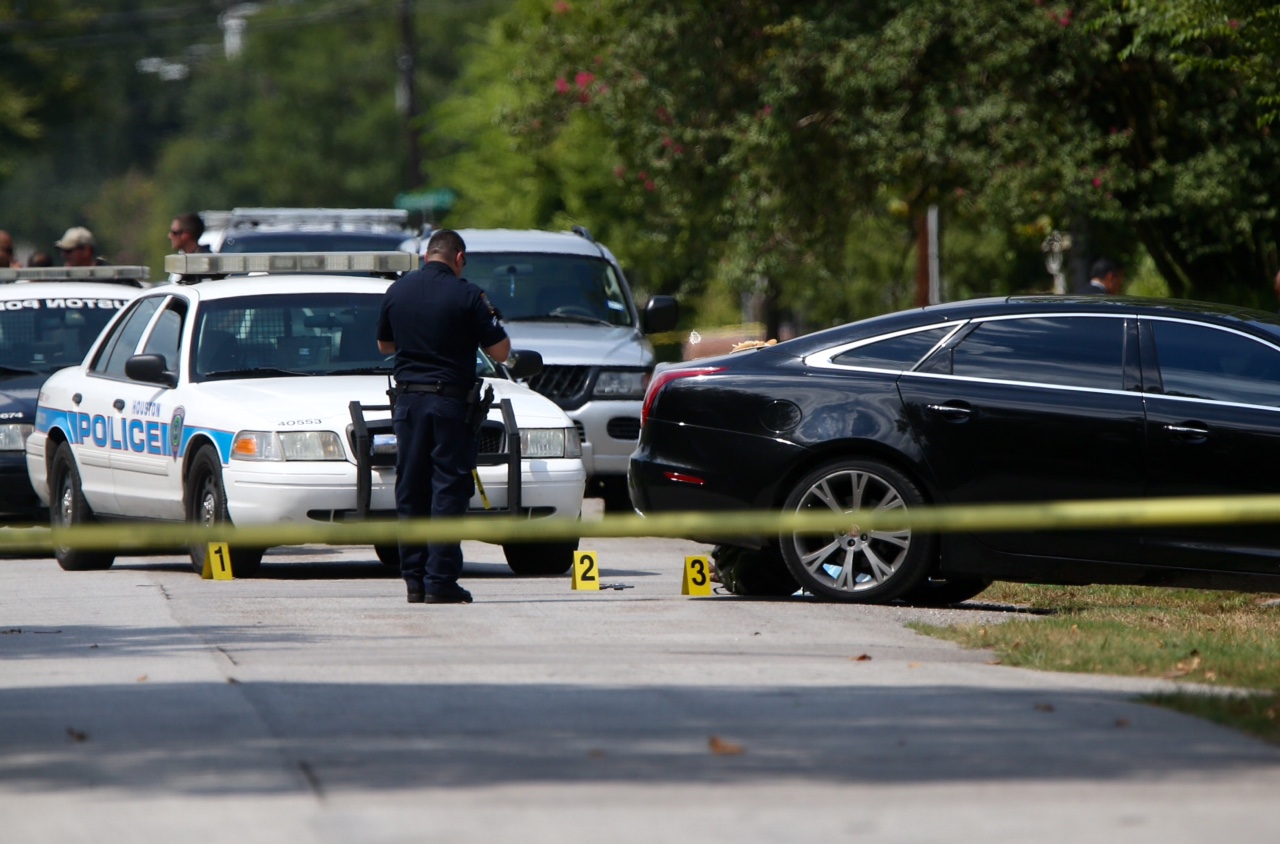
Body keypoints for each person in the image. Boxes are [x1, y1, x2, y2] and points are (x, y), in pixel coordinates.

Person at [377, 229, 510, 604]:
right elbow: (500, 353)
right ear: (459, 258)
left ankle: (414, 581)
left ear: (425, 256)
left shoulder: (397, 291)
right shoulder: (468, 295)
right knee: (448, 489)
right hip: (450, 405)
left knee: (411, 490)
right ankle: (440, 581)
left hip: (407, 404)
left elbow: (384, 345)